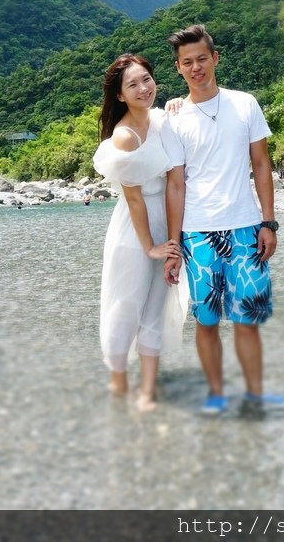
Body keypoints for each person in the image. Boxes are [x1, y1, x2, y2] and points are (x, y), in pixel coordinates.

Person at [161, 24, 284, 415]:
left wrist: (268, 223)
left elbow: (261, 164)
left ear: (215, 58)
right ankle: (217, 394)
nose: (196, 67)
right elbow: (175, 185)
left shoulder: (245, 103)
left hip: (245, 226)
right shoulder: (174, 118)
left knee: (247, 318)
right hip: (197, 232)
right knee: (205, 320)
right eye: (188, 62)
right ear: (178, 69)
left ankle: (255, 394)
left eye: (202, 58)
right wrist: (173, 246)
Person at [93, 54, 184, 412]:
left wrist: (177, 102)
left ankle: (147, 389)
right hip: (134, 230)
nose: (143, 88)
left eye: (146, 79)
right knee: (126, 305)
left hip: (165, 218)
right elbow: (134, 200)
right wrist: (150, 247)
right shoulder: (124, 137)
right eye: (133, 84)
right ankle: (117, 378)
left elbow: (175, 118)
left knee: (156, 307)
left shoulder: (160, 119)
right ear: (119, 95)